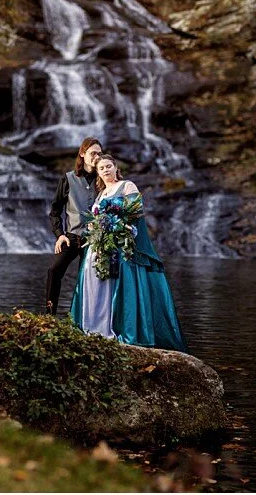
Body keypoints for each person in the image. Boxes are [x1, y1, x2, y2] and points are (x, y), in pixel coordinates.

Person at [70, 155, 188, 352]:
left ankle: (121, 329)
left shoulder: (127, 186)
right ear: (98, 173)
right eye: (101, 168)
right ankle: (94, 326)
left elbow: (136, 211)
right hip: (99, 245)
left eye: (109, 166)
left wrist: (114, 220)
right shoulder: (101, 194)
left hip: (119, 244)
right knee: (95, 284)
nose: (106, 170)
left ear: (116, 168)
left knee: (116, 287)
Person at [44, 137, 102, 314]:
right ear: (82, 154)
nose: (97, 157)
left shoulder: (103, 179)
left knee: (88, 279)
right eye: (93, 153)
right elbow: (55, 210)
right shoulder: (68, 179)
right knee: (54, 271)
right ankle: (50, 315)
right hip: (71, 238)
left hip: (94, 240)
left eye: (100, 154)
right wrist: (59, 234)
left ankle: (85, 320)